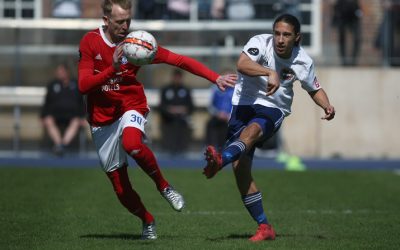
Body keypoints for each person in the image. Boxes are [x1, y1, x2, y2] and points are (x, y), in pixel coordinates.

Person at [78, 0, 237, 240]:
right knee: (121, 189)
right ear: (106, 20)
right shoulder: (90, 41)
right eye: (119, 22)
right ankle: (147, 220)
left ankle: (164, 186)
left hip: (130, 106)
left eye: (128, 21)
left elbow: (179, 60)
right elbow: (83, 86)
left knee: (132, 144)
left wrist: (215, 78)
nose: (125, 26)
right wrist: (111, 69)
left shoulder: (137, 44)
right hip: (101, 120)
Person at [203, 14, 336, 242]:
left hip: (274, 107)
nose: (280, 39)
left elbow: (314, 88)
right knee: (240, 168)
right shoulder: (260, 43)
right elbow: (242, 64)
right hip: (243, 104)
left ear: (297, 38)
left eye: (286, 35)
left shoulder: (302, 61)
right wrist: (269, 72)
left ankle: (220, 160)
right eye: (277, 33)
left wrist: (327, 105)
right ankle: (265, 227)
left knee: (252, 131)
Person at [40, 63, 85, 157]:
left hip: (72, 115)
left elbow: (81, 103)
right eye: (58, 72)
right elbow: (46, 103)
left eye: (62, 71)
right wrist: (42, 117)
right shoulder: (52, 85)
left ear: (67, 72)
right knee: (48, 120)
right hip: (55, 115)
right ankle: (59, 144)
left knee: (76, 121)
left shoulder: (76, 84)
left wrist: (82, 117)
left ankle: (62, 145)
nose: (60, 73)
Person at [159, 69, 194, 155]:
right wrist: (170, 110)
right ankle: (168, 149)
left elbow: (191, 106)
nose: (177, 79)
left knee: (182, 124)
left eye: (179, 77)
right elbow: (161, 106)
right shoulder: (165, 89)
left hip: (182, 119)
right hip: (168, 119)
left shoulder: (186, 90)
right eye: (175, 77)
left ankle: (182, 150)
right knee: (169, 124)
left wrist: (183, 110)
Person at [205, 70, 234, 150]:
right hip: (217, 116)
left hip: (230, 118)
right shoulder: (215, 89)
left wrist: (229, 115)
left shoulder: (236, 90)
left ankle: (226, 149)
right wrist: (218, 113)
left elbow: (238, 106)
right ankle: (210, 148)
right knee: (210, 124)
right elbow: (210, 105)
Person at [331, 0, 362, 66]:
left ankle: (353, 60)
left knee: (357, 38)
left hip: (353, 14)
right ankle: (343, 60)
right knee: (342, 38)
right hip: (342, 14)